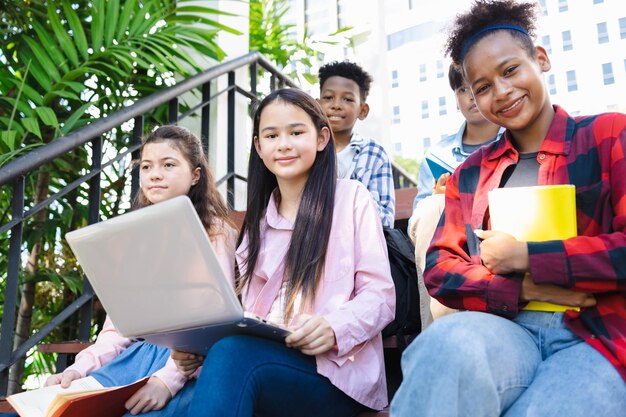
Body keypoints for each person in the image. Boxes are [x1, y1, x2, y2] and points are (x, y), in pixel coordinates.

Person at [391, 1, 626, 416]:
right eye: (481, 87)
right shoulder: (471, 172)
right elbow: (441, 269)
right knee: (442, 349)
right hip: (504, 327)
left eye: (510, 70)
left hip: (597, 333)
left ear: (541, 59)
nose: (500, 92)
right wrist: (526, 287)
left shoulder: (608, 134)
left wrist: (526, 257)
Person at [171, 88, 396, 417]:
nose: (284, 144)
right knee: (225, 353)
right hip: (267, 361)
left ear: (321, 139)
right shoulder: (257, 224)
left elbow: (380, 295)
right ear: (259, 147)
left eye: (296, 132)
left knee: (233, 356)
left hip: (335, 373)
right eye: (272, 135)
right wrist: (197, 351)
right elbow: (245, 314)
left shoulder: (351, 198)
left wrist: (335, 327)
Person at [45, 125, 237, 416]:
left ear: (195, 175)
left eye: (168, 165)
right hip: (135, 359)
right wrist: (79, 369)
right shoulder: (136, 237)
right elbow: (118, 328)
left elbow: (210, 323)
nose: (154, 174)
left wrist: (166, 381)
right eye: (146, 166)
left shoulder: (215, 233)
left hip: (189, 363)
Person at [408, 63, 504, 321]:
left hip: (499, 230)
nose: (471, 96)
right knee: (432, 208)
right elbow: (417, 223)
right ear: (455, 98)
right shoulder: (437, 156)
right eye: (463, 89)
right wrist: (440, 196)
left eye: (479, 86)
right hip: (450, 236)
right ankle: (439, 329)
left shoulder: (516, 137)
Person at [318, 61, 396, 227]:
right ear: (317, 105)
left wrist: (349, 195)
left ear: (363, 110)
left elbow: (386, 221)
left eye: (347, 99)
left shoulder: (374, 153)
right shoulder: (306, 149)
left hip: (358, 241)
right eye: (328, 97)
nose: (336, 105)